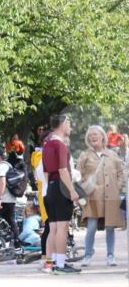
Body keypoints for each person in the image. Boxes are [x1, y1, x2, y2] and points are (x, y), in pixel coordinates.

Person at [77, 124, 125, 267]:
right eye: (90, 135)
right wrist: (81, 194)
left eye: (95, 134)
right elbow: (78, 176)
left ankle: (110, 255)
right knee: (91, 227)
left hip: (111, 196)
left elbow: (120, 173)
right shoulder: (84, 155)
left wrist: (118, 188)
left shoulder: (112, 154)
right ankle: (87, 255)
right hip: (92, 197)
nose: (92, 137)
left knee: (110, 227)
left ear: (103, 136)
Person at [42, 114, 84, 274]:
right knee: (62, 227)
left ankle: (50, 263)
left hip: (51, 188)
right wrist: (72, 191)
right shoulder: (60, 146)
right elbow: (62, 169)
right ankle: (60, 264)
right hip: (61, 188)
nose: (71, 127)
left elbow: (45, 172)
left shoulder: (46, 144)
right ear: (63, 124)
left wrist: (49, 189)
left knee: (53, 228)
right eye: (69, 124)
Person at [0, 147, 19, 246]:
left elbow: (2, 182)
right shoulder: (8, 165)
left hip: (3, 200)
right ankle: (16, 244)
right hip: (10, 199)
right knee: (11, 222)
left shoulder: (0, 167)